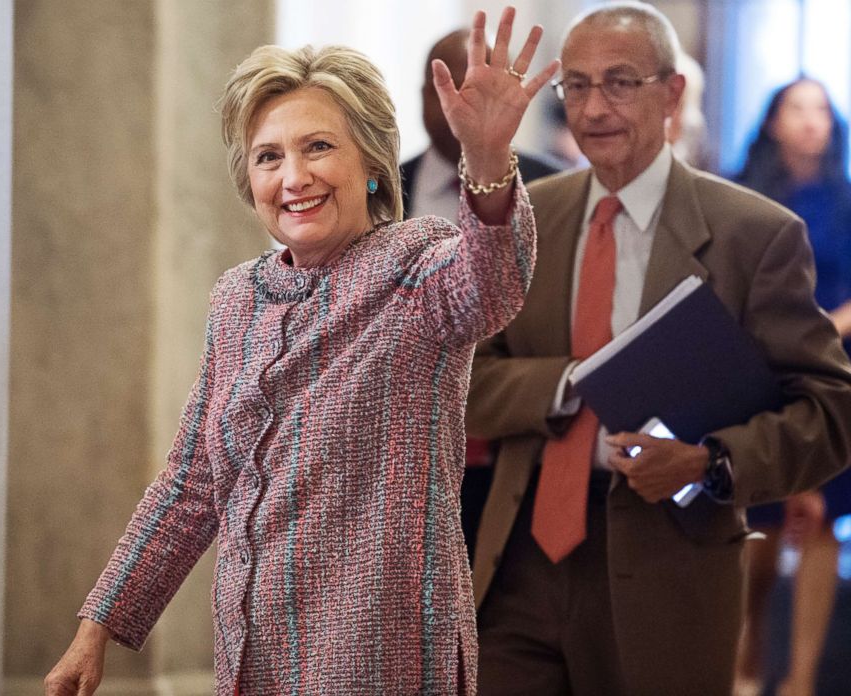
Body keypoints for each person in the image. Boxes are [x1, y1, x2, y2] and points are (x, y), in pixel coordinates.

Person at [44, 8, 559, 695]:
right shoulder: (237, 298)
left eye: (318, 147)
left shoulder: (416, 265)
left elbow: (491, 285)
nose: (294, 177)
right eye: (269, 156)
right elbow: (193, 482)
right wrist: (97, 626)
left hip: (382, 656)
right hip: (252, 655)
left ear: (373, 166)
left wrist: (489, 158)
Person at [464, 3, 851, 695]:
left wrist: (711, 463)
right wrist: (571, 382)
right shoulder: (527, 218)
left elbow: (829, 413)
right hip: (518, 564)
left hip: (667, 573)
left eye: (619, 82)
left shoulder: (754, 235)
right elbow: (460, 381)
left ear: (672, 94)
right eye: (575, 86)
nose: (594, 107)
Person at [400, 27, 559, 565]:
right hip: (399, 454)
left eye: (473, 88)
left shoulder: (547, 187)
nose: (457, 105)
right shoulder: (373, 189)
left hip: (513, 447)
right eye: (442, 86)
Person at [733, 77, 851, 696]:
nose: (811, 120)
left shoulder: (849, 199)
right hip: (757, 363)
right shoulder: (741, 193)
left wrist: (819, 330)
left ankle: (801, 677)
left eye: (822, 110)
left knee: (825, 515)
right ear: (773, 121)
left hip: (833, 366)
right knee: (756, 514)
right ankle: (746, 660)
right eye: (797, 108)